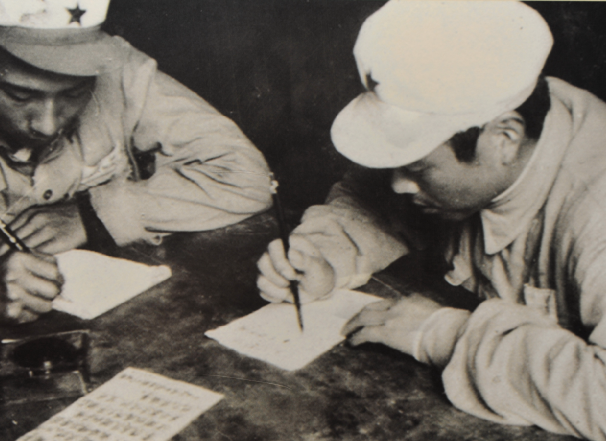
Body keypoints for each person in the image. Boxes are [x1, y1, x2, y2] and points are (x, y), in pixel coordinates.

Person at [256, 1, 606, 439]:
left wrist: (448, 335)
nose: (398, 185)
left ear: (504, 137)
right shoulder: (487, 121)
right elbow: (369, 201)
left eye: (417, 168)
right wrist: (322, 255)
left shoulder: (597, 210)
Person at [0, 0, 272, 325]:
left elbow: (247, 175)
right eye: (19, 95)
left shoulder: (118, 70)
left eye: (74, 92)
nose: (47, 125)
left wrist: (95, 215)